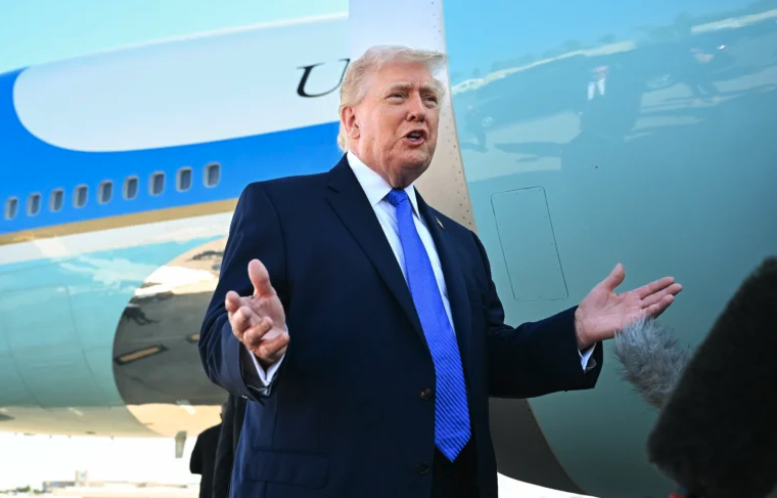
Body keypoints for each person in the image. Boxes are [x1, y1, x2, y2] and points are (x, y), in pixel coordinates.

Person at [198, 45, 682, 498]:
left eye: (430, 99)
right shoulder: (283, 207)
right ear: (352, 119)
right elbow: (219, 335)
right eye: (399, 96)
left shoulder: (459, 242)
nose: (419, 110)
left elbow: (489, 357)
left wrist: (574, 330)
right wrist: (253, 346)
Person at [189, 403, 225, 498]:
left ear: (221, 415)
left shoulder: (205, 435)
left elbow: (194, 467)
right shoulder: (244, 437)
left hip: (208, 490)